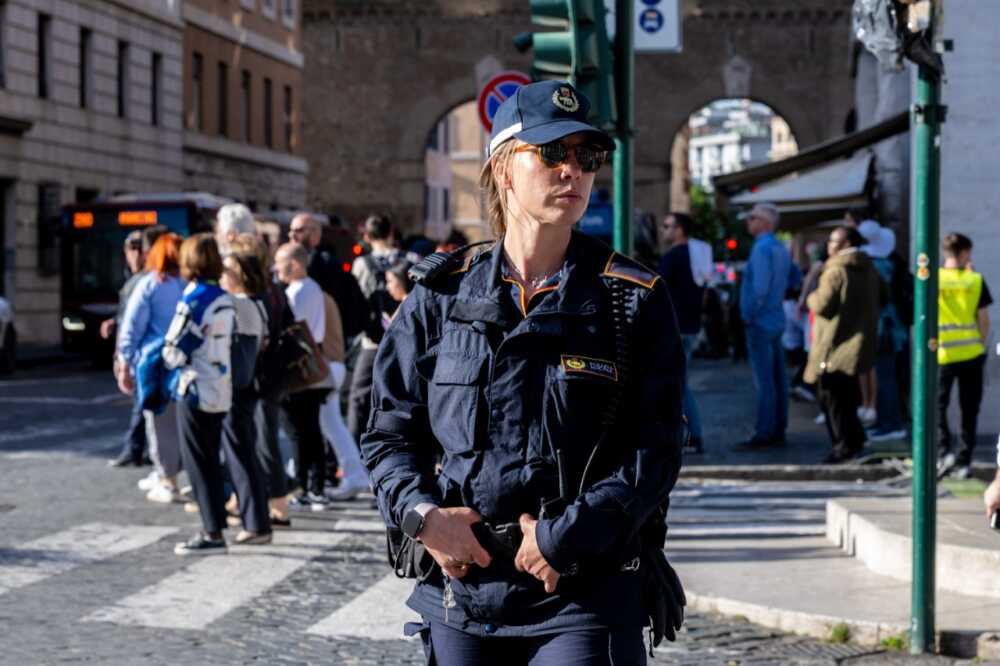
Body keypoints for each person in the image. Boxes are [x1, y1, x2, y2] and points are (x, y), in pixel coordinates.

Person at [361, 80, 685, 664]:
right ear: (504, 168)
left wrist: (565, 536)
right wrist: (424, 517)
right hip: (464, 591)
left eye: (586, 157)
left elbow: (656, 448)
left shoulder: (631, 298)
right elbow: (388, 431)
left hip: (585, 592)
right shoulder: (441, 294)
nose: (574, 172)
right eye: (553, 154)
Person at [165, 234, 237, 555]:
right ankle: (216, 523)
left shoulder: (193, 299)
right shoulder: (224, 297)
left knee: (197, 463)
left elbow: (173, 349)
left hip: (195, 386)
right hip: (220, 387)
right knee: (211, 458)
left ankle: (211, 531)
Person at [114, 233, 185, 501]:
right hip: (189, 362)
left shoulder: (151, 284)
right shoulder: (190, 284)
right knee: (184, 422)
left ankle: (168, 479)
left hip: (156, 364)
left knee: (160, 422)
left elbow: (132, 327)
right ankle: (183, 473)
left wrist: (124, 362)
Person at [805, 226, 884, 464]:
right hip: (858, 342)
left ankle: (843, 447)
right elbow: (885, 296)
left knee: (832, 399)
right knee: (847, 398)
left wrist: (810, 295)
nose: (828, 245)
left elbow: (822, 305)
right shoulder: (869, 267)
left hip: (833, 344)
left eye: (832, 240)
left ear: (843, 243)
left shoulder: (835, 270)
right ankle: (855, 441)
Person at [273, 241, 335, 511]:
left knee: (298, 430)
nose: (276, 267)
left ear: (295, 264)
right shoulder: (314, 288)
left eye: (280, 261)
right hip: (313, 363)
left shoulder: (296, 292)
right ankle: (316, 487)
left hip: (296, 368)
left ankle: (302, 486)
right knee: (311, 429)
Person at [219, 240, 273, 544]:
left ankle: (256, 524)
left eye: (227, 270)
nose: (222, 274)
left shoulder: (238, 303)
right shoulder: (255, 304)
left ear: (241, 275)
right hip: (248, 387)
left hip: (235, 389)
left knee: (240, 456)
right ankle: (256, 519)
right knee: (245, 454)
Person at [736, 203, 792, 450]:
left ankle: (764, 432)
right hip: (776, 319)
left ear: (764, 222)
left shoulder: (762, 249)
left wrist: (748, 314)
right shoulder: (780, 247)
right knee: (778, 379)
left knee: (765, 381)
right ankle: (778, 428)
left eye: (752, 217)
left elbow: (759, 289)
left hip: (760, 321)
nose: (748, 222)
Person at [937, 233, 992, 479]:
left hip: (942, 355)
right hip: (971, 353)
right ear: (964, 253)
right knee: (969, 410)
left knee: (939, 407)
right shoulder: (974, 280)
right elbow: (984, 321)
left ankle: (943, 452)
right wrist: (980, 342)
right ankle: (963, 460)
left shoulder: (934, 279)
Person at [347, 214, 403, 442]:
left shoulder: (362, 264)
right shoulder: (408, 260)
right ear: (391, 233)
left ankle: (353, 452)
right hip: (401, 337)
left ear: (367, 236)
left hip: (373, 340)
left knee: (358, 397)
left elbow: (355, 298)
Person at [657, 212, 705, 453]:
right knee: (680, 382)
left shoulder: (674, 256)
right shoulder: (697, 256)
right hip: (692, 325)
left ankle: (693, 437)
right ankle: (691, 436)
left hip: (676, 327)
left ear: (680, 230)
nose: (663, 230)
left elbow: (658, 289)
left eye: (667, 226)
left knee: (678, 385)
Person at [858, 220, 908, 442]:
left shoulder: (877, 267)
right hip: (889, 329)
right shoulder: (890, 263)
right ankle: (887, 421)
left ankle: (892, 423)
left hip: (884, 329)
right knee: (885, 377)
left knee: (884, 378)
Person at [290, 212, 369, 341]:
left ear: (316, 235)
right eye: (291, 230)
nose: (292, 235)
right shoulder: (287, 261)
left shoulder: (326, 264)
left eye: (299, 230)